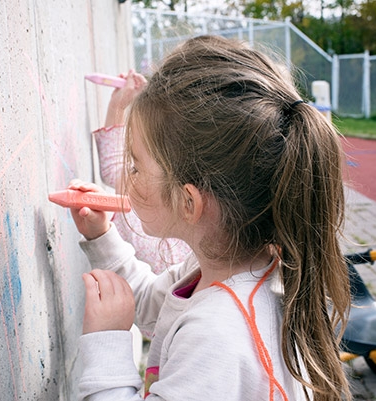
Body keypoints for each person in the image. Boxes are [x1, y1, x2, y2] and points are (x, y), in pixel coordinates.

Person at [68, 35, 351, 401]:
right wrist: (102, 237)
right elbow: (156, 306)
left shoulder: (215, 336)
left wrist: (107, 343)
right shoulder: (225, 267)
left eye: (135, 166)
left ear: (189, 202)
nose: (127, 176)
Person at [92, 70, 191, 274]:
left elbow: (116, 172)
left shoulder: (168, 256)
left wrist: (99, 231)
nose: (130, 177)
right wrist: (119, 106)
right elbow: (115, 170)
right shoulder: (161, 197)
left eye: (136, 168)